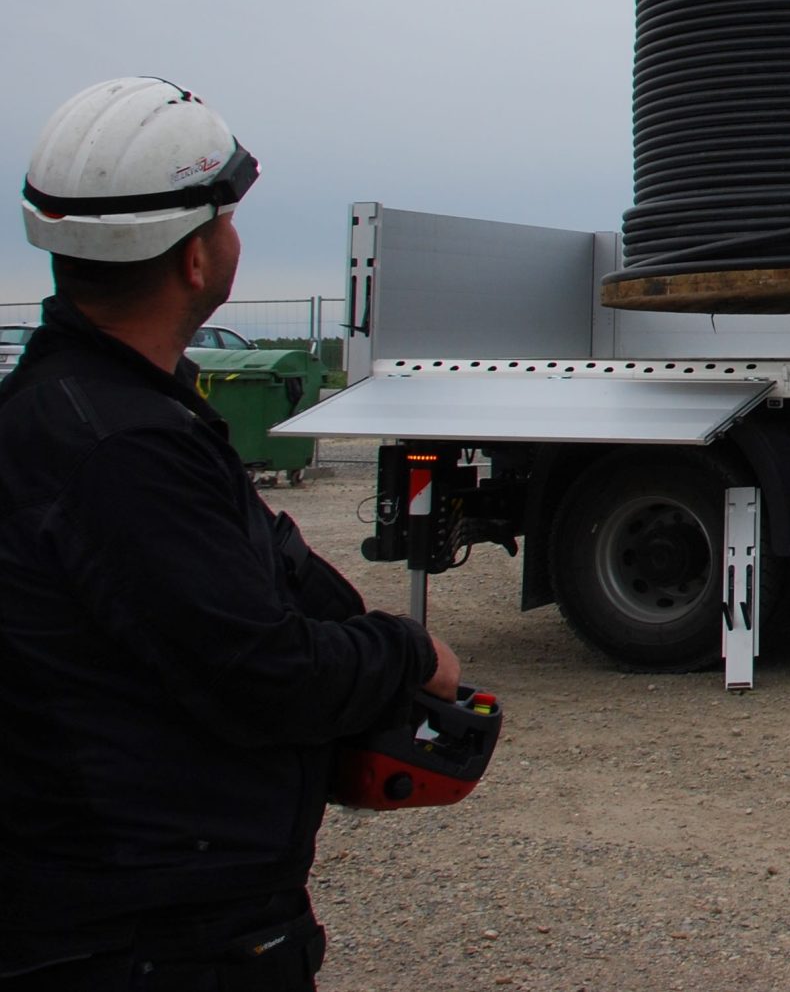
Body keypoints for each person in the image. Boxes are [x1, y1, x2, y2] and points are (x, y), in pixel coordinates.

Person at [0, 78, 458, 989]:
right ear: (195, 260)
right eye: (229, 219)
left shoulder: (75, 412)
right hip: (153, 939)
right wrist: (408, 652)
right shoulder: (123, 451)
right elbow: (262, 673)